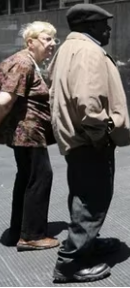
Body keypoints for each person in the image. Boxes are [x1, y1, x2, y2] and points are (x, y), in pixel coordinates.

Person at [50, 4, 130, 283]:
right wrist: (98, 136)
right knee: (92, 200)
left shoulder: (69, 48)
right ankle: (70, 264)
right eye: (104, 25)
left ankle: (87, 243)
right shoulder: (88, 51)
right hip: (88, 139)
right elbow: (88, 100)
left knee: (83, 195)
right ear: (90, 27)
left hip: (75, 137)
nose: (108, 29)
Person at [0, 22, 58, 252]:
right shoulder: (23, 62)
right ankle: (32, 236)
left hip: (28, 133)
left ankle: (18, 231)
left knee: (26, 178)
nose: (52, 44)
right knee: (40, 177)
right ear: (30, 42)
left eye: (54, 39)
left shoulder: (27, 61)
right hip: (28, 133)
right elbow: (5, 99)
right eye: (47, 39)